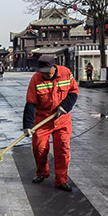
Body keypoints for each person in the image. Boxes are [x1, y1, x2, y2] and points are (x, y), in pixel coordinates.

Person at [22, 55, 78, 192]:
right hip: (42, 120)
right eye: (43, 72)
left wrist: (65, 106)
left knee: (62, 149)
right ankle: (42, 172)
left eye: (48, 71)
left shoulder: (66, 73)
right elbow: (30, 102)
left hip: (62, 120)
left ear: (54, 66)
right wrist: (28, 125)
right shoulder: (36, 79)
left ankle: (61, 180)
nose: (45, 74)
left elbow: (73, 91)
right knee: (39, 148)